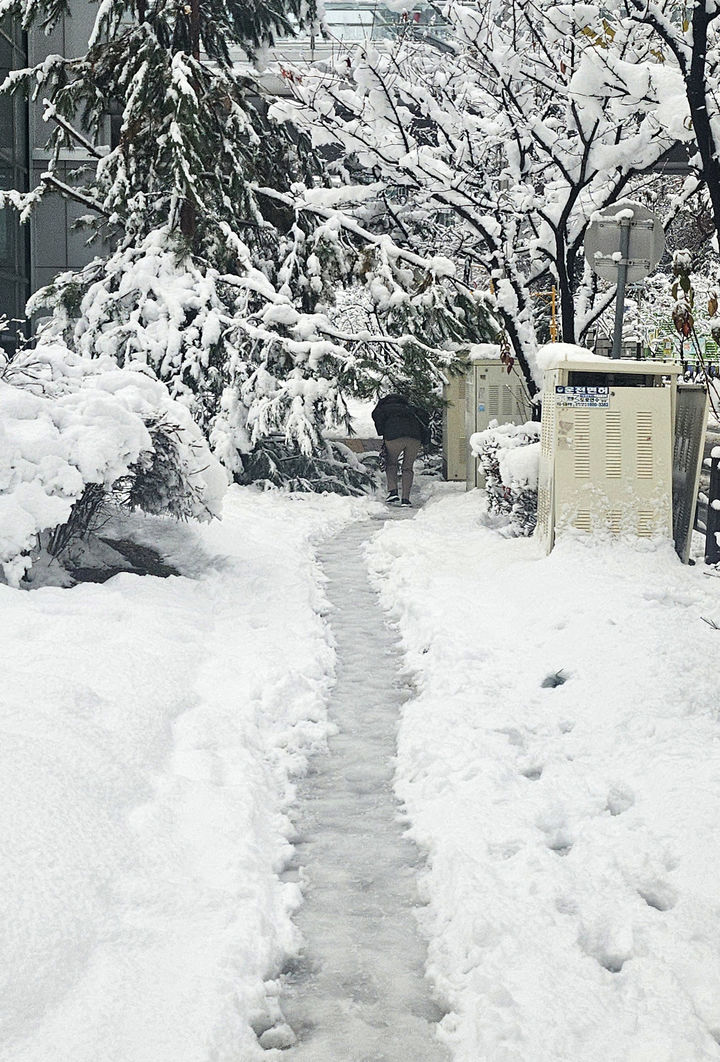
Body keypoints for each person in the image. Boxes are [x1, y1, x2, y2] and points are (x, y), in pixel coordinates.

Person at [371, 392, 430, 506]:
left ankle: (393, 492)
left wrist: (383, 431)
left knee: (391, 463)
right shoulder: (411, 408)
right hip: (414, 438)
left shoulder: (384, 408)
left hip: (393, 438)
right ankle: (405, 499)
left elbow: (376, 418)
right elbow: (425, 416)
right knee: (408, 468)